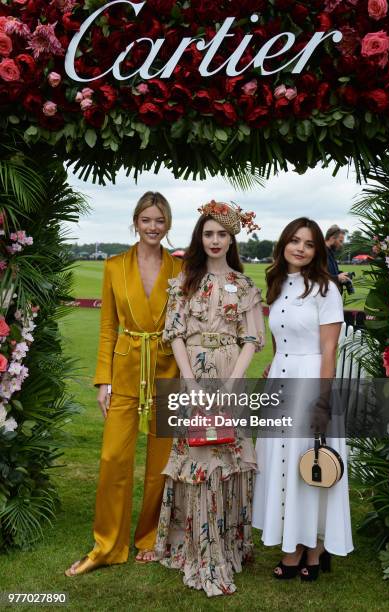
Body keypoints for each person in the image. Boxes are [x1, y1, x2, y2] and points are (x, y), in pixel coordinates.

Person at [65, 191, 183, 576]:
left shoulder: (180, 270)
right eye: (146, 220)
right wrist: (103, 381)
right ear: (135, 222)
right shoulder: (115, 266)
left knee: (160, 463)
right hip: (125, 371)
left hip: (167, 371)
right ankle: (107, 546)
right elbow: (106, 328)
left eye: (159, 220)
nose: (153, 227)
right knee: (114, 458)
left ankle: (149, 537)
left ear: (167, 225)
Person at [155, 201, 265, 597]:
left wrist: (234, 382)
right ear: (199, 238)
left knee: (229, 457)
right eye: (208, 233)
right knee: (200, 457)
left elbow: (252, 338)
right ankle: (200, 550)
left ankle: (230, 544)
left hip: (231, 373)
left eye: (222, 233)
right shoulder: (184, 281)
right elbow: (176, 334)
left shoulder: (245, 284)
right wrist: (190, 381)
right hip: (193, 378)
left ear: (232, 238)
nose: (215, 240)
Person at [253, 217, 353, 581]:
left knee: (310, 465)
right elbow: (282, 337)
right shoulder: (277, 284)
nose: (300, 248)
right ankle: (295, 543)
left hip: (313, 383)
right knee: (283, 467)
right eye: (294, 241)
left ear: (317, 250)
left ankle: (312, 548)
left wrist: (322, 403)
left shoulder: (326, 289)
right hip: (281, 382)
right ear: (283, 244)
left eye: (309, 244)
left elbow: (329, 351)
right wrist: (273, 366)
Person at [325, 225, 350, 292]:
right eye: (340, 241)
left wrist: (342, 274)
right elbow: (316, 276)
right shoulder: (320, 253)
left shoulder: (330, 253)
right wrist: (337, 278)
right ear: (332, 238)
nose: (341, 244)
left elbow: (330, 272)